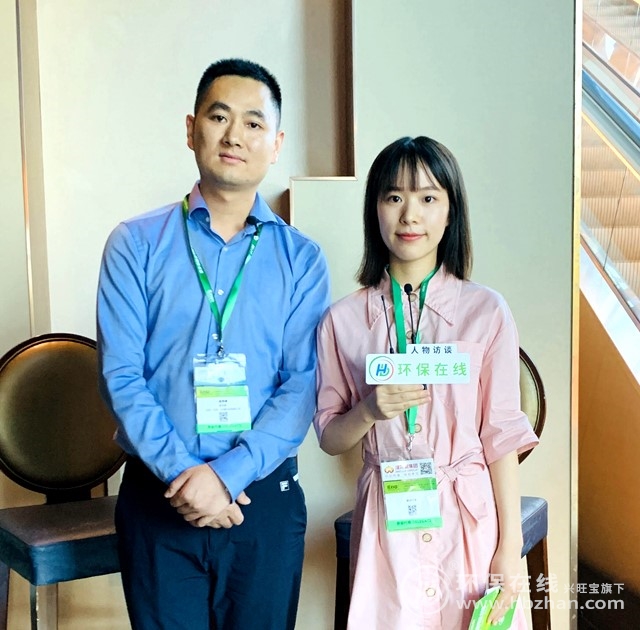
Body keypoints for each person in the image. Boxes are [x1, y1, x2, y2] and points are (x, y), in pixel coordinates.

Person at [97, 58, 330, 630]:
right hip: (159, 495)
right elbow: (121, 375)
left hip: (262, 499)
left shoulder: (302, 259)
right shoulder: (134, 244)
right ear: (191, 129)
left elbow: (303, 384)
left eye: (254, 123)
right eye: (219, 116)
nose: (234, 135)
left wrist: (226, 476)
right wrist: (186, 476)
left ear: (276, 144)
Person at [313, 136, 538, 629]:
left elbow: (500, 433)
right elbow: (330, 437)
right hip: (387, 523)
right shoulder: (342, 321)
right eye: (394, 197)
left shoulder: (486, 312)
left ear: (451, 212)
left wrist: (509, 548)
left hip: (469, 520)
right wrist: (368, 410)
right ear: (375, 209)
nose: (410, 215)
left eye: (428, 197)